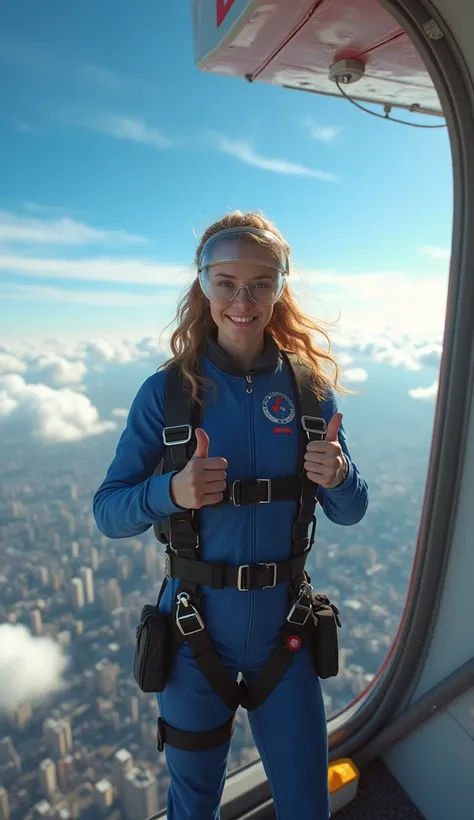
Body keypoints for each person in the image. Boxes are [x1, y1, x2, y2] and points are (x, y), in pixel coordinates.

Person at [93, 210, 368, 820]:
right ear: (203, 286)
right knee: (192, 810)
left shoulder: (309, 391)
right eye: (226, 283)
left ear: (280, 287)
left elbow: (351, 510)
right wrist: (171, 492)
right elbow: (108, 512)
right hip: (194, 636)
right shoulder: (167, 394)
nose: (242, 301)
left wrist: (339, 476)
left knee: (306, 806)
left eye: (260, 283)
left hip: (286, 635)